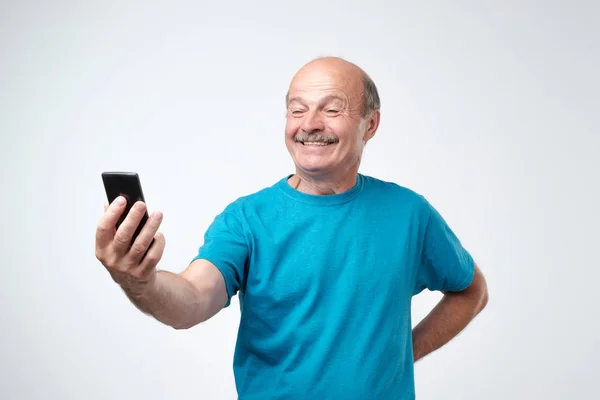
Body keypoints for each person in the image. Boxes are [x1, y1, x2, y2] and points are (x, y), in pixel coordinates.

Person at [95, 56, 489, 399]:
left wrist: (404, 355)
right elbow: (194, 298)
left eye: (332, 109)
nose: (310, 124)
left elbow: (471, 290)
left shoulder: (409, 213)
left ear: (370, 125)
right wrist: (140, 281)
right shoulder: (247, 218)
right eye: (297, 110)